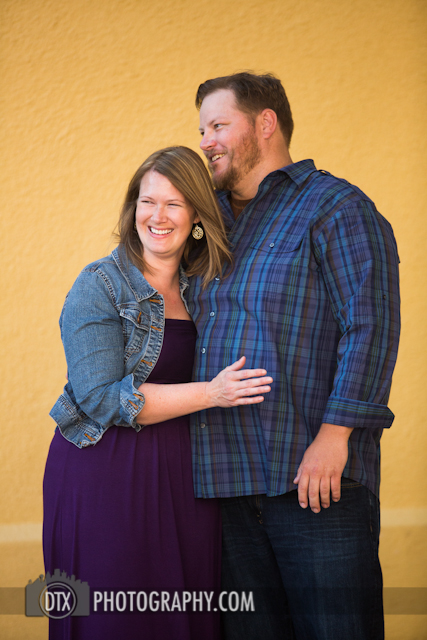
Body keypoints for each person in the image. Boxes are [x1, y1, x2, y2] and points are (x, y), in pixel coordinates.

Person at [188, 73, 401, 639]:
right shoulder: (207, 225)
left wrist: (337, 436)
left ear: (265, 124)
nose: (205, 140)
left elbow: (370, 325)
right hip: (226, 486)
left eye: (218, 125)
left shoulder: (336, 207)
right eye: (200, 129)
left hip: (315, 483)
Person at [43, 146, 273, 640]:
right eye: (148, 202)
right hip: (105, 474)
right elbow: (101, 397)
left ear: (196, 216)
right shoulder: (99, 284)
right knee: (116, 619)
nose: (158, 216)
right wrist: (212, 393)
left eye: (174, 203)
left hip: (188, 478)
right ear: (133, 210)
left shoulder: (207, 288)